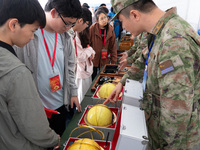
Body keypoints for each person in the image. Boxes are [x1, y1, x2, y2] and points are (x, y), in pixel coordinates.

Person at [104, 0, 200, 149]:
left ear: (134, 15)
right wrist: (122, 83)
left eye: (122, 21)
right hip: (159, 129)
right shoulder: (159, 33)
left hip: (173, 142)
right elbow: (144, 59)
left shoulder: (174, 42)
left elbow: (177, 113)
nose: (123, 27)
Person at [14, 0, 82, 136]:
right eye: (67, 23)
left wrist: (73, 92)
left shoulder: (66, 38)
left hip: (60, 103)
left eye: (72, 24)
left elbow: (69, 66)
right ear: (54, 12)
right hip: (37, 109)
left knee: (59, 137)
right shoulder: (28, 33)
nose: (69, 27)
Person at [0, 0, 60, 149]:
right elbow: (34, 126)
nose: (33, 37)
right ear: (13, 25)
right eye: (33, 31)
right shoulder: (16, 72)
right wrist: (52, 139)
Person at [73, 8, 95, 103]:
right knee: (82, 96)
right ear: (80, 20)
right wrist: (90, 50)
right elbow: (80, 57)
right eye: (86, 24)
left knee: (85, 92)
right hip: (82, 71)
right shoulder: (75, 36)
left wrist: (90, 51)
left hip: (85, 69)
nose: (86, 27)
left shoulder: (78, 34)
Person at [89, 9, 117, 80]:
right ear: (97, 21)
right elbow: (88, 44)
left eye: (105, 17)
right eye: (101, 19)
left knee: (104, 77)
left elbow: (113, 45)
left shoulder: (110, 29)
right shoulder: (92, 29)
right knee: (93, 78)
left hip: (105, 58)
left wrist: (113, 60)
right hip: (94, 58)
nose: (104, 20)